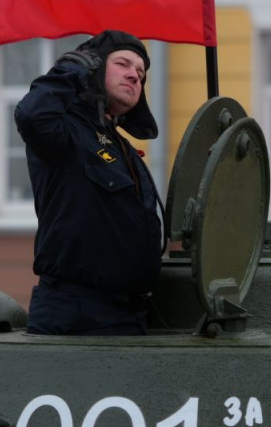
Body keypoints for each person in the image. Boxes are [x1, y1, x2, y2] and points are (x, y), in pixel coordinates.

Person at [14, 29, 164, 335]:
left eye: (141, 72)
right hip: (77, 314)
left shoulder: (120, 147)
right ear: (94, 68)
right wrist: (72, 68)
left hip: (130, 313)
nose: (135, 76)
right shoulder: (65, 130)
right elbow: (32, 116)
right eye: (123, 64)